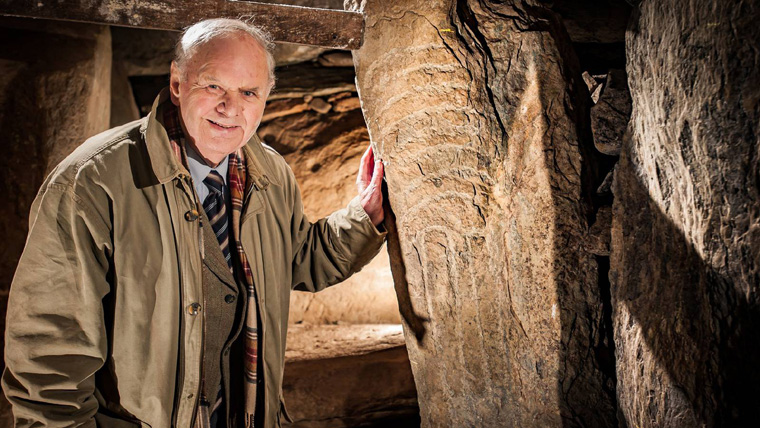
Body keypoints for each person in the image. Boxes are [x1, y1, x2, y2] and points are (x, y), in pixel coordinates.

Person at [2, 18, 386, 428]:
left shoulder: (270, 173)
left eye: (249, 92)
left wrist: (365, 217)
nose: (230, 107)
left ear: (267, 96)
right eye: (213, 85)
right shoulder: (92, 181)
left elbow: (298, 259)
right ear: (177, 82)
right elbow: (49, 356)